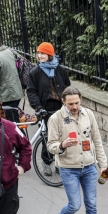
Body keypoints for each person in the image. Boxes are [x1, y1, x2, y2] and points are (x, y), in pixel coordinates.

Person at [47, 86, 108, 214]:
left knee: (92, 204)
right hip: (69, 168)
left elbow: (96, 140)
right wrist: (62, 145)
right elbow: (51, 145)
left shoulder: (88, 114)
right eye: (70, 104)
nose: (74, 106)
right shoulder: (56, 119)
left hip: (89, 166)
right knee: (74, 205)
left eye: (77, 102)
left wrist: (103, 164)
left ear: (81, 100)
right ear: (63, 102)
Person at [27, 41, 71, 176]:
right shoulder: (35, 72)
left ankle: (59, 162)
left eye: (43, 53)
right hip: (45, 108)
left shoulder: (61, 70)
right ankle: (46, 162)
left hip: (61, 107)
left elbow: (68, 87)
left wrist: (69, 103)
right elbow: (31, 91)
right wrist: (38, 107)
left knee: (63, 135)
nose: (40, 56)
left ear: (50, 55)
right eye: (39, 53)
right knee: (48, 137)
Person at [0, 32, 23, 108]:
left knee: (11, 118)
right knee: (14, 115)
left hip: (7, 95)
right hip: (16, 91)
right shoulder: (8, 51)